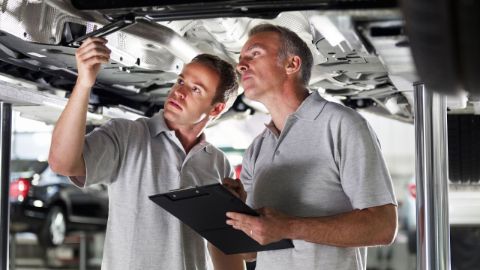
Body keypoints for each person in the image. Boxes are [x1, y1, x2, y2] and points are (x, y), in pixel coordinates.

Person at [48, 37, 244, 270]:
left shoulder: (219, 164)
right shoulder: (127, 135)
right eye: (181, 80)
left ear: (216, 108)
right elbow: (62, 163)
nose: (179, 92)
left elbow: (226, 252)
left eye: (195, 89)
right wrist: (84, 83)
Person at [224, 24, 398, 269]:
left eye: (254, 54)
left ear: (292, 65)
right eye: (240, 59)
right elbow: (250, 253)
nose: (241, 65)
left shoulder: (342, 125)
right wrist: (236, 210)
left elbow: (383, 226)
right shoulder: (257, 149)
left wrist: (288, 227)